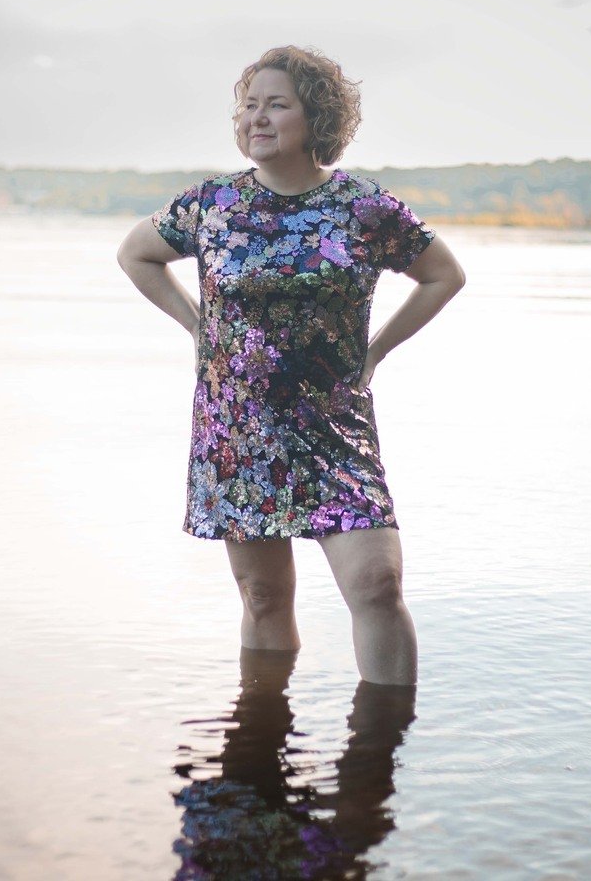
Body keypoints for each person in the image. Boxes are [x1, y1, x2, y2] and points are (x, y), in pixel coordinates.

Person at [116, 45, 466, 686]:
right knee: (264, 597)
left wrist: (376, 351)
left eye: (276, 104)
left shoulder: (363, 207)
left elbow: (444, 275)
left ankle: (382, 743)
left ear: (317, 118)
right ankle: (262, 731)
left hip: (334, 426)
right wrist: (197, 326)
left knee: (377, 583)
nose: (257, 117)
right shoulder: (213, 204)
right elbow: (135, 254)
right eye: (249, 105)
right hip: (239, 427)